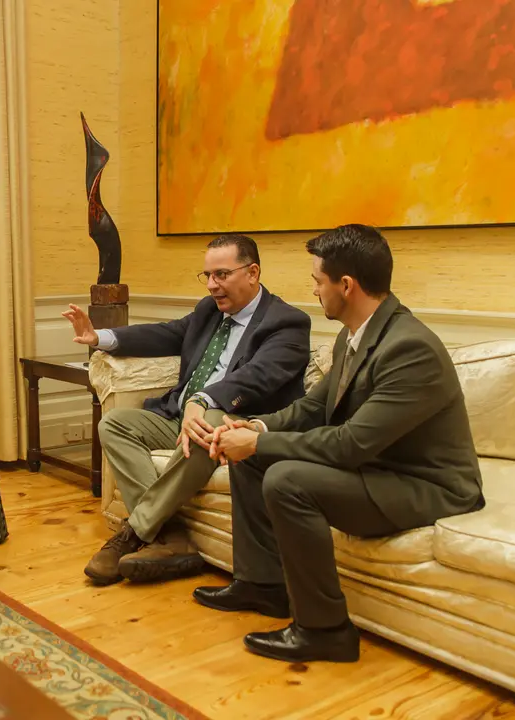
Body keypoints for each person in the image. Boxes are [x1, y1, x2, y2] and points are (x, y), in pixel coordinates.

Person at [196, 224, 484, 664]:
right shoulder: (356, 334)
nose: (313, 291)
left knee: (288, 479)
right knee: (257, 459)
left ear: (345, 285)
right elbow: (312, 409)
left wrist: (258, 446)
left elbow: (350, 445)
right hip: (380, 469)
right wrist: (254, 428)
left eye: (316, 281)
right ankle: (262, 585)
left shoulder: (409, 348)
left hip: (427, 486)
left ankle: (325, 629)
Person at [64, 234, 311, 585]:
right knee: (116, 424)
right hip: (178, 416)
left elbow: (258, 378)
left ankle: (133, 533)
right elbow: (166, 334)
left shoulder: (287, 322)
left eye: (222, 274)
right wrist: (99, 337)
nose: (212, 285)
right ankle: (171, 536)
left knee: (206, 424)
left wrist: (203, 399)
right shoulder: (208, 310)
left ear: (253, 272)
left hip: (234, 421)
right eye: (208, 276)